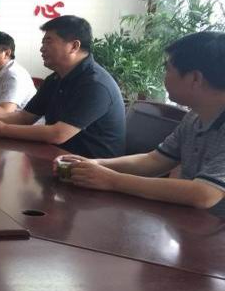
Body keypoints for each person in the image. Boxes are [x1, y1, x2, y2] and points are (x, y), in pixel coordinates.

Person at [57, 32, 225, 217]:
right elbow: (155, 160)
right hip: (191, 223)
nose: (164, 77)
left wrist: (112, 180)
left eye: (168, 69)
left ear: (195, 79)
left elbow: (204, 194)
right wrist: (93, 164)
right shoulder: (194, 117)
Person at [0, 15, 125, 158]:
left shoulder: (95, 85)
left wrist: (0, 129)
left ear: (74, 46)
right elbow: (24, 118)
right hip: (55, 157)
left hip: (91, 167)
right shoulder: (55, 78)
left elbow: (58, 134)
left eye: (48, 42)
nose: (42, 49)